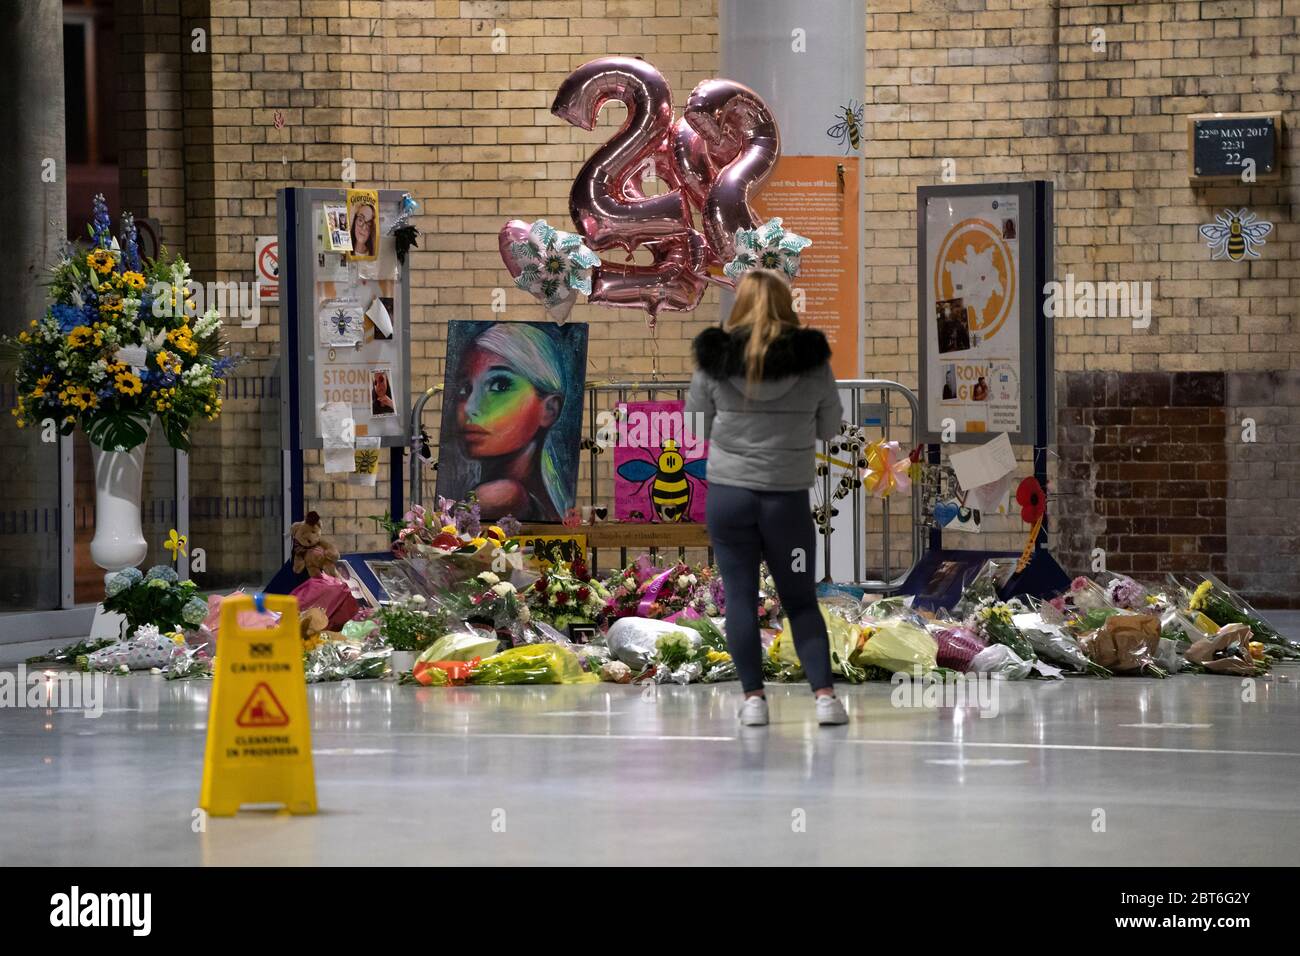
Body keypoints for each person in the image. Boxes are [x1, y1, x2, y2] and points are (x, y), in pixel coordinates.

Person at [685, 269, 848, 727]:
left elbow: (696, 423)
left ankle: (754, 701)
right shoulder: (813, 361)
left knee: (739, 595)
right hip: (786, 502)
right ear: (785, 302)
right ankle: (824, 700)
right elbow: (830, 426)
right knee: (799, 600)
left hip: (729, 497)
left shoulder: (713, 358)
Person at [451, 322, 574, 521]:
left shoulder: (505, 495)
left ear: (549, 409)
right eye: (465, 388)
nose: (469, 407)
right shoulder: (545, 500)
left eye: (499, 385)